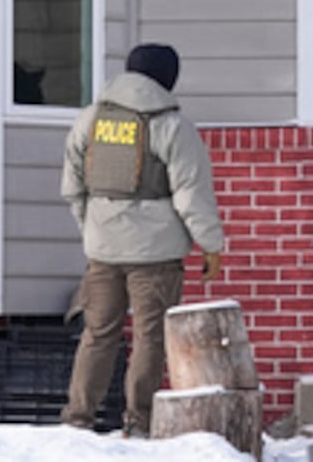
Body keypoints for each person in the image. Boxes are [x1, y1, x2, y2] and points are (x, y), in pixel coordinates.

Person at [59, 42, 224, 438]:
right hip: (157, 253)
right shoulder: (172, 126)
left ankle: (78, 420)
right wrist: (212, 244)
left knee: (98, 334)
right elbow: (190, 194)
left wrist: (94, 229)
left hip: (102, 249)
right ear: (168, 79)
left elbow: (72, 187)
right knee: (149, 337)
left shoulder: (91, 118)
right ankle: (139, 422)